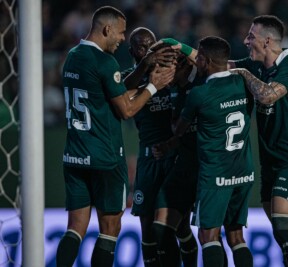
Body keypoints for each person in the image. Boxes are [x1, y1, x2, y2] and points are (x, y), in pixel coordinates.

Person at [56, 6, 175, 267]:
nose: (122, 39)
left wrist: (143, 66)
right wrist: (155, 85)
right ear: (107, 29)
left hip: (75, 156)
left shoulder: (73, 56)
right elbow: (126, 109)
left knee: (75, 228)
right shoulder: (105, 61)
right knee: (109, 230)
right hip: (105, 158)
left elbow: (112, 88)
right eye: (121, 33)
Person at [159, 36, 255, 267]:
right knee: (236, 237)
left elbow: (178, 130)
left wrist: (176, 105)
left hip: (216, 175)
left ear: (208, 60)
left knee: (208, 236)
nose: (196, 60)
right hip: (244, 172)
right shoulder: (243, 83)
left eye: (199, 56)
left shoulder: (200, 94)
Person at [231, 15, 288, 266]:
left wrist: (244, 72)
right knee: (281, 233)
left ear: (267, 41)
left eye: (251, 36)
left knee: (282, 224)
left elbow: (267, 96)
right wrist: (181, 49)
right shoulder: (256, 67)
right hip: (270, 162)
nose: (246, 41)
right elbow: (217, 63)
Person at [122, 27, 198, 267]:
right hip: (148, 159)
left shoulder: (174, 73)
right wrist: (146, 66)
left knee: (179, 225)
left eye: (151, 44)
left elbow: (202, 68)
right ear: (132, 50)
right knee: (146, 227)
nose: (147, 49)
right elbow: (122, 91)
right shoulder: (132, 77)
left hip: (175, 158)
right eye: (141, 46)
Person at [151, 54, 202, 267]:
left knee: (211, 236)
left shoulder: (203, 81)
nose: (162, 73)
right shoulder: (172, 88)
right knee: (161, 227)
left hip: (207, 168)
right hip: (182, 165)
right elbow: (180, 131)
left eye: (166, 67)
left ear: (181, 65)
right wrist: (168, 145)